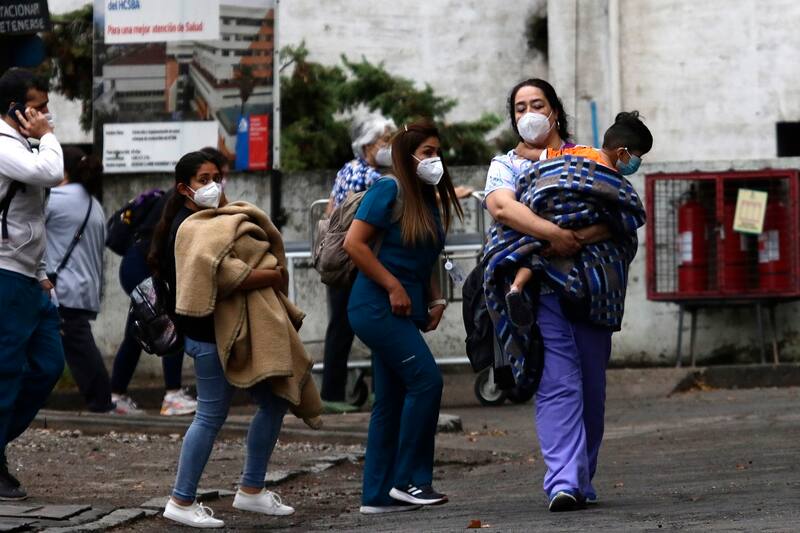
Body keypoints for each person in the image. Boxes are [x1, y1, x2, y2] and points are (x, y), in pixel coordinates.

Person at [484, 78, 648, 512]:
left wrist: (578, 237)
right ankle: (563, 481)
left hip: (593, 286)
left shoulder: (588, 158)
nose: (529, 114)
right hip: (542, 289)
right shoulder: (504, 164)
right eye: (520, 107)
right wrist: (554, 235)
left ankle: (581, 476)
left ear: (555, 111)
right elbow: (502, 207)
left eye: (537, 104)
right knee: (558, 382)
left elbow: (618, 212)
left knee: (592, 388)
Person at [153, 152, 320, 528]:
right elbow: (226, 276)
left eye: (217, 177)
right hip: (209, 337)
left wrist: (266, 269)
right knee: (210, 415)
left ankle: (252, 490)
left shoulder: (211, 220)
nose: (213, 185)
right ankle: (181, 500)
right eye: (203, 179)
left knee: (275, 401)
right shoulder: (188, 227)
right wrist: (271, 273)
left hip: (235, 331)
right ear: (184, 188)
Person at [344, 120, 463, 514]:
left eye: (437, 152)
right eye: (428, 152)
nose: (435, 159)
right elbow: (355, 244)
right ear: (407, 155)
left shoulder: (425, 199)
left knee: (391, 400)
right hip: (376, 306)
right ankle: (410, 480)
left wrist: (435, 299)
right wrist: (393, 285)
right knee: (427, 381)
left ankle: (377, 496)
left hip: (403, 309)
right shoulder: (388, 189)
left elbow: (424, 255)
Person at [505, 111, 653, 326]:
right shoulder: (608, 174)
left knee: (534, 250)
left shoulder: (575, 152)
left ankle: (516, 287)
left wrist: (521, 149)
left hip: (549, 215)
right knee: (609, 226)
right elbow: (623, 212)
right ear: (622, 152)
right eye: (638, 157)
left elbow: (539, 158)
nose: (637, 162)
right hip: (575, 220)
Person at [0, 68, 66, 500]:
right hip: (5, 272)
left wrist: (42, 273)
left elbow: (32, 217)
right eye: (38, 107)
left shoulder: (25, 144)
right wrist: (47, 136)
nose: (45, 115)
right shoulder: (4, 145)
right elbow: (52, 173)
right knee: (5, 371)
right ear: (14, 109)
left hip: (29, 276)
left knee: (48, 364)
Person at [321, 114, 395, 414]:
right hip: (359, 259)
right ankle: (380, 392)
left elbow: (331, 209)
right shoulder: (372, 177)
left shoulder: (347, 169)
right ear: (367, 145)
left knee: (340, 327)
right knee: (375, 322)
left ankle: (333, 392)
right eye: (384, 140)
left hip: (341, 259)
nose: (389, 146)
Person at [45, 147, 115, 414]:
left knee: (79, 348)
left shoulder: (55, 199)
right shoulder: (93, 204)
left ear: (62, 170)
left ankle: (101, 402)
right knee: (68, 344)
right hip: (84, 288)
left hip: (62, 288)